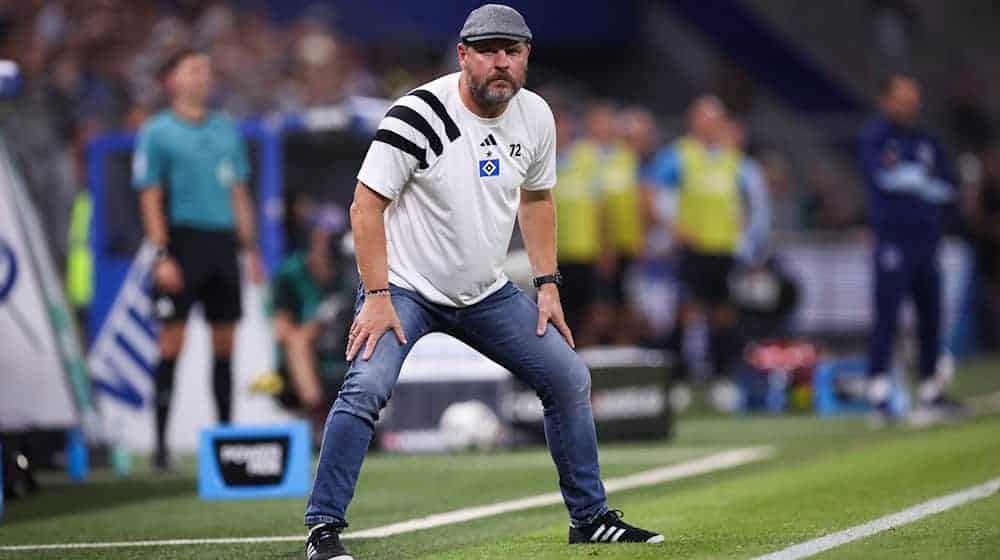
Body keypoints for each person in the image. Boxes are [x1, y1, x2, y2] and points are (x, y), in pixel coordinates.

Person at [302, 5, 662, 559]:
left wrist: (547, 283)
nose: (501, 62)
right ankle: (322, 530)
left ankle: (589, 519)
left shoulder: (536, 116)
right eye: (489, 50)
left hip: (485, 291)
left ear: (527, 58)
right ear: (463, 54)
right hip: (403, 287)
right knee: (365, 388)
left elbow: (538, 199)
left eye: (512, 51)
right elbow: (364, 207)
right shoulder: (416, 113)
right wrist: (376, 297)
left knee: (569, 377)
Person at [132, 48, 262, 469]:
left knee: (225, 343)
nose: (203, 75)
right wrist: (160, 253)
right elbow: (150, 196)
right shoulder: (158, 131)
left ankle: (224, 442)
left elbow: (239, 193)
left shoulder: (226, 130)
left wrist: (251, 248)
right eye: (193, 69)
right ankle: (160, 446)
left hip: (222, 244)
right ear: (172, 80)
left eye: (207, 68)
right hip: (181, 243)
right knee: (172, 342)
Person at [645, 96, 768, 413]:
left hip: (725, 250)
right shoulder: (680, 155)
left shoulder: (735, 160)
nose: (708, 126)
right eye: (702, 119)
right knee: (686, 314)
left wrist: (749, 242)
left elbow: (754, 205)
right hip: (693, 249)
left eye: (714, 120)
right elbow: (651, 192)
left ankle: (722, 378)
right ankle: (680, 382)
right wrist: (672, 226)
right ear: (693, 122)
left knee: (724, 316)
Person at [859, 73, 963, 421]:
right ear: (885, 100)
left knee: (930, 314)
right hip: (893, 242)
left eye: (913, 98)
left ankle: (931, 388)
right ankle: (879, 391)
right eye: (902, 98)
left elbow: (948, 186)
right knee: (887, 316)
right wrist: (919, 182)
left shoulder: (927, 140)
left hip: (927, 241)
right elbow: (882, 179)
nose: (909, 104)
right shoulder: (875, 137)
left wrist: (918, 183)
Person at [268, 206, 355, 437]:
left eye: (334, 235)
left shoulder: (351, 271)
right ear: (314, 236)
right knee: (297, 342)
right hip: (307, 350)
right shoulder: (291, 272)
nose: (328, 243)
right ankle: (319, 419)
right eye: (324, 234)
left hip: (345, 342)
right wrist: (314, 328)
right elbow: (281, 328)